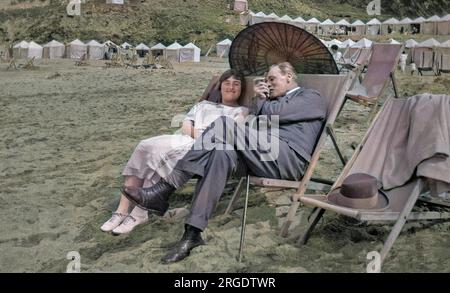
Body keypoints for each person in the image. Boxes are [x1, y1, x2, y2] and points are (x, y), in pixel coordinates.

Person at [122, 62, 327, 264]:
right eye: (266, 81)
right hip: (263, 155)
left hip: (288, 158)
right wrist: (260, 101)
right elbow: (258, 126)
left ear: (289, 76)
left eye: (272, 79)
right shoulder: (271, 102)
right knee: (221, 154)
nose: (268, 84)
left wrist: (260, 98)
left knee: (222, 125)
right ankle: (192, 233)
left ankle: (164, 190)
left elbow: (273, 114)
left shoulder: (310, 97)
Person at [100, 69, 248, 234]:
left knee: (159, 156)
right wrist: (196, 134)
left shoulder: (240, 111)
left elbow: (233, 131)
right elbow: (185, 125)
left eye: (236, 84)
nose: (231, 87)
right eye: (227, 83)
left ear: (241, 89)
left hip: (202, 149)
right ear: (220, 87)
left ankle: (139, 214)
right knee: (144, 146)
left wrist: (203, 138)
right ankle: (121, 210)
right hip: (187, 138)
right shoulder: (203, 105)